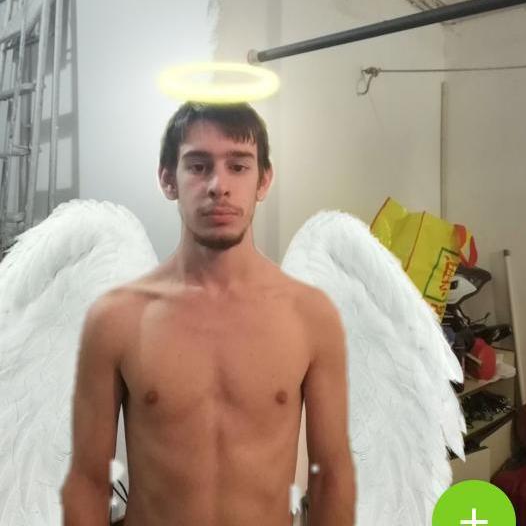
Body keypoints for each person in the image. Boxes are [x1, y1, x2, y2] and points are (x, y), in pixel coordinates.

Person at [61, 101, 356, 526]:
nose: (219, 185)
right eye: (198, 166)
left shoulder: (310, 315)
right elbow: (88, 481)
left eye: (238, 166)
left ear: (263, 180)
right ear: (168, 179)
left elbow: (331, 477)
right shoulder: (116, 319)